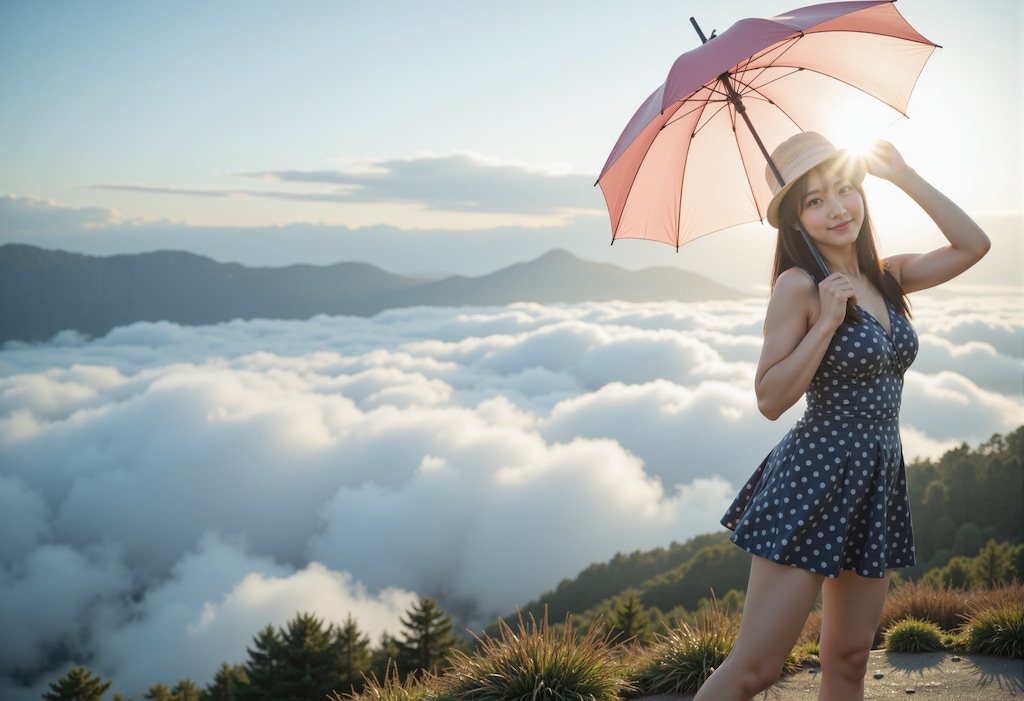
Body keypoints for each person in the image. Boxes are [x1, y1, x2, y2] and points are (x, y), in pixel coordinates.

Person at [692, 131, 990, 701]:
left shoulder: (888, 275)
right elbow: (769, 398)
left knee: (850, 658)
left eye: (845, 189)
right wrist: (826, 322)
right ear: (795, 219)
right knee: (755, 669)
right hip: (813, 477)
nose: (837, 208)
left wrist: (902, 175)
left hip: (875, 477)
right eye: (815, 200)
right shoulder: (798, 287)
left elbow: (974, 245)